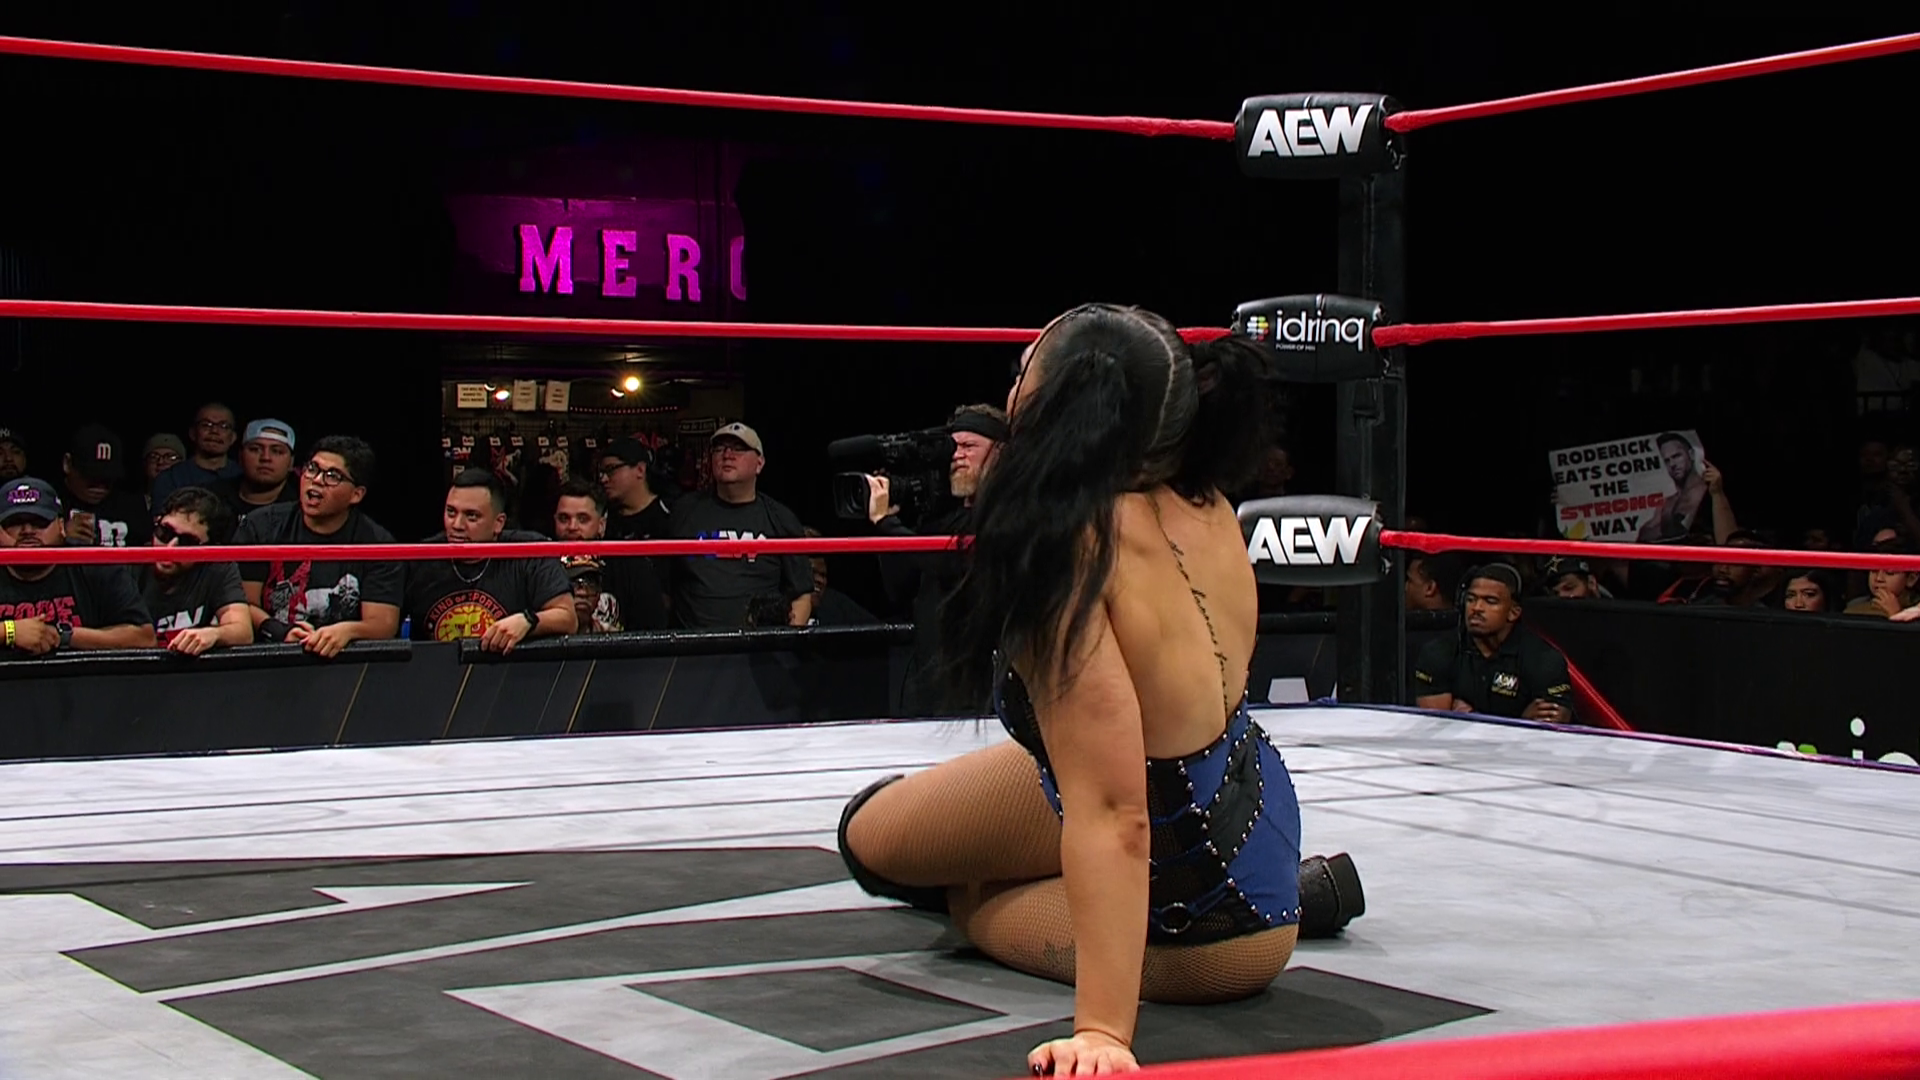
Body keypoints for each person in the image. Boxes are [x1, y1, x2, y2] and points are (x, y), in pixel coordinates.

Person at [836, 304, 1363, 1077]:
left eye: (1022, 374)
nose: (1009, 389)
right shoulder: (1203, 496)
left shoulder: (1066, 548)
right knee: (870, 836)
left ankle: (1278, 905)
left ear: (1062, 403)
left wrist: (1102, 1034)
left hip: (1209, 934)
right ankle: (1303, 888)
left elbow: (1117, 812)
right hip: (1242, 808)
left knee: (969, 902)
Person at [1412, 563, 1575, 722]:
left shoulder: (1543, 659)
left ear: (1513, 613)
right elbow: (1437, 726)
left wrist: (1473, 717)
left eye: (1490, 601)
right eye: (1471, 599)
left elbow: (1554, 723)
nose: (1476, 608)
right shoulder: (1438, 652)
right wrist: (1522, 721)